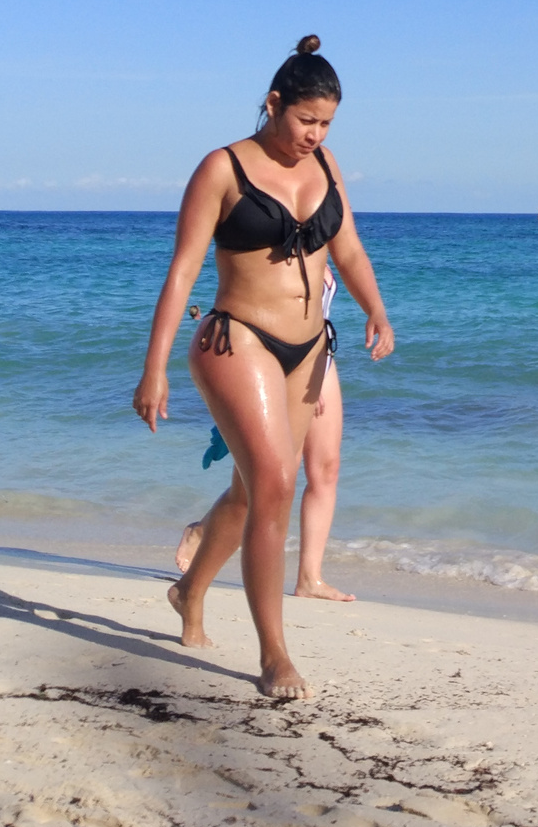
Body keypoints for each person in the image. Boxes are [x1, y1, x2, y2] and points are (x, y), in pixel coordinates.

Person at [132, 36, 394, 699]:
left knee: (252, 494)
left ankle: (189, 591)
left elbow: (350, 249)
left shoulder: (325, 164)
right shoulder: (222, 169)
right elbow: (182, 271)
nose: (316, 135)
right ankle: (275, 655)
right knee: (276, 483)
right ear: (274, 103)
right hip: (236, 340)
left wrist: (376, 310)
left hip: (309, 350)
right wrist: (154, 368)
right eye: (306, 120)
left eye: (326, 123)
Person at [176, 258, 355, 601]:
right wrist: (299, 378)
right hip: (280, 363)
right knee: (264, 482)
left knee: (327, 469)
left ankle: (310, 578)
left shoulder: (319, 245)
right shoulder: (272, 248)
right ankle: (201, 531)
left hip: (319, 356)